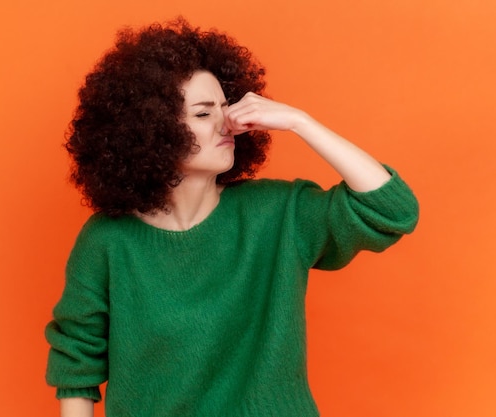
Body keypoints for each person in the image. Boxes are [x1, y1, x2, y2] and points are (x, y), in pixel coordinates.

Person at [45, 18, 419, 417]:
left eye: (227, 107)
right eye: (204, 114)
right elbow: (76, 364)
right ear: (150, 130)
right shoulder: (107, 240)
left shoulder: (277, 212)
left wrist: (300, 122)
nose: (227, 123)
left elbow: (392, 210)